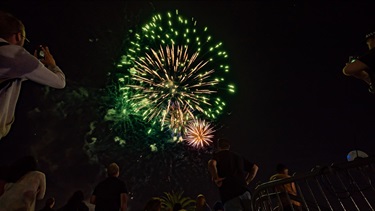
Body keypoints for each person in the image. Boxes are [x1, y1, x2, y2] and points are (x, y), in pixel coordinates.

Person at [0, 10, 66, 140]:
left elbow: (8, 76)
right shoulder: (16, 55)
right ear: (18, 36)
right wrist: (52, 65)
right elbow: (60, 82)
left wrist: (33, 68)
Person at [208, 138, 259, 211]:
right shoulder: (238, 156)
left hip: (229, 195)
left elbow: (211, 163)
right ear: (229, 146)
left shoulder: (218, 156)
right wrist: (247, 181)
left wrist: (216, 178)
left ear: (218, 147)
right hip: (245, 192)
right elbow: (255, 168)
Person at [342, 26, 375, 94]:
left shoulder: (373, 54)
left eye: (368, 42)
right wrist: (366, 77)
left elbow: (347, 70)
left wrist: (354, 66)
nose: (368, 46)